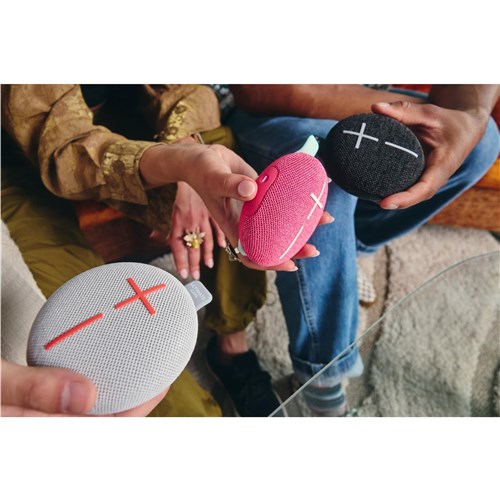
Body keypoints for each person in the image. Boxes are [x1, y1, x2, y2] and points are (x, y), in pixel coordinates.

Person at [1, 84, 322, 417]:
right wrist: (177, 163)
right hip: (21, 160)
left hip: (125, 123)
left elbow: (187, 90)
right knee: (86, 356)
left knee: (217, 151)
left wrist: (187, 150)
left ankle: (231, 342)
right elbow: (63, 152)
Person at [221, 84, 500, 416]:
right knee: (321, 173)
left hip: (366, 99)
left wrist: (470, 117)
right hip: (264, 108)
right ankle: (322, 372)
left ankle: (351, 247)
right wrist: (386, 119)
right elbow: (263, 91)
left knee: (483, 139)